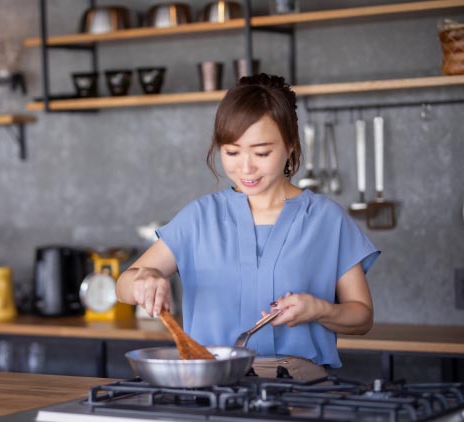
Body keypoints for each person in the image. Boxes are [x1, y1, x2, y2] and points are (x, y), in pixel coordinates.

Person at [116, 73, 380, 381]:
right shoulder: (200, 216)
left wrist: (321, 310)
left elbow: (362, 316)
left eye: (261, 153)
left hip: (297, 387)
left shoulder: (326, 219)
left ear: (290, 147)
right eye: (232, 152)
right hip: (209, 382)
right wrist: (143, 279)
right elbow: (123, 287)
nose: (245, 168)